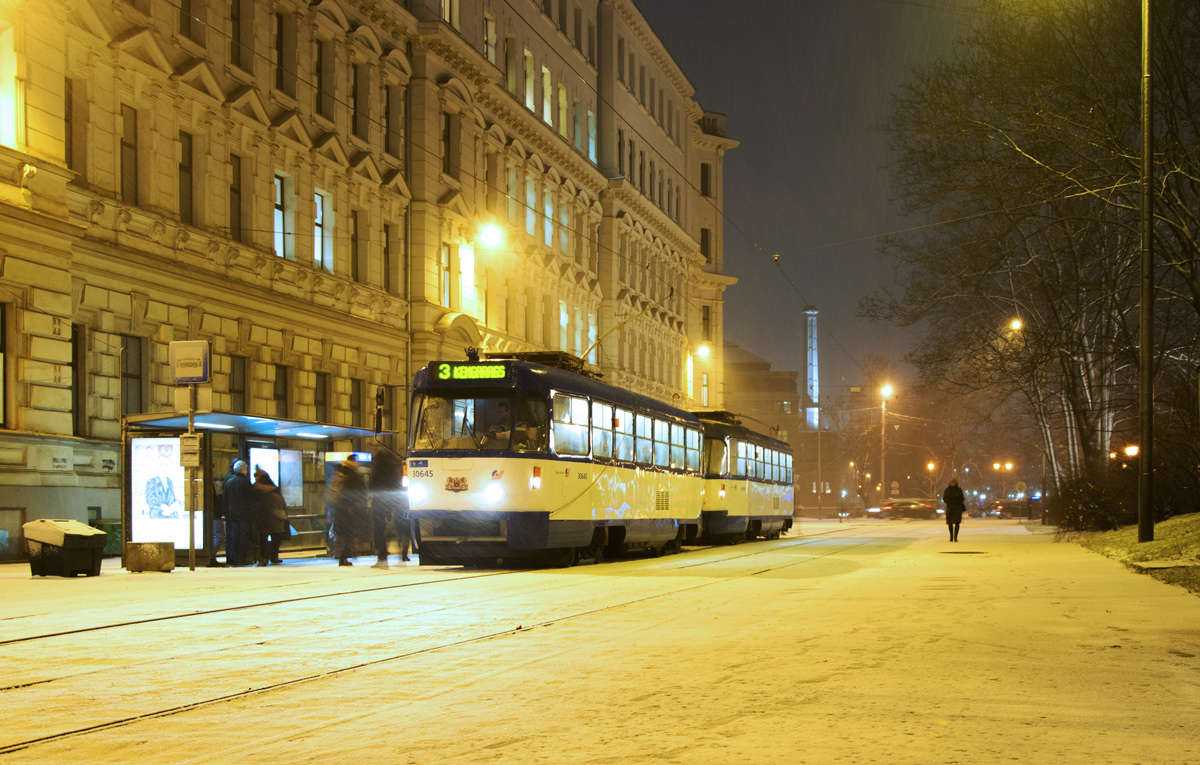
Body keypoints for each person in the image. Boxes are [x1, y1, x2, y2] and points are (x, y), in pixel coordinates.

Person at [370, 450, 412, 568]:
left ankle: (382, 557)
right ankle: (397, 554)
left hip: (379, 504)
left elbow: (374, 487)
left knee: (379, 531)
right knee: (392, 529)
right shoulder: (392, 470)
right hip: (392, 504)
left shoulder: (379, 470)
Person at [330, 457, 367, 566]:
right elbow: (358, 492)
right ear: (353, 462)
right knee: (347, 534)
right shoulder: (352, 476)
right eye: (357, 461)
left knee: (342, 534)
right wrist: (350, 506)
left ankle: (342, 557)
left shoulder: (342, 474)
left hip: (339, 509)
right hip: (347, 509)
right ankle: (343, 557)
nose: (359, 464)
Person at [253, 468, 291, 565]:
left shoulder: (256, 489)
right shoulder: (274, 488)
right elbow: (281, 503)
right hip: (275, 518)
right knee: (275, 538)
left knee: (263, 539)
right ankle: (274, 556)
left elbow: (253, 503)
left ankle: (263, 558)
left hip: (263, 517)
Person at [222, 460, 255, 565]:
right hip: (245, 515)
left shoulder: (229, 482)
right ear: (243, 470)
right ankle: (241, 558)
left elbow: (225, 500)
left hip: (233, 515)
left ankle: (233, 558)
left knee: (234, 537)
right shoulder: (246, 483)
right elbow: (251, 500)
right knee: (243, 537)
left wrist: (228, 512)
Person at [942, 477, 966, 542]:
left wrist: (957, 501)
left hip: (957, 508)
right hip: (950, 508)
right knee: (950, 523)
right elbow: (944, 498)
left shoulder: (959, 490)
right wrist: (949, 501)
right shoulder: (947, 490)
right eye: (952, 482)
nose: (953, 484)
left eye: (954, 482)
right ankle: (951, 537)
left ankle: (955, 537)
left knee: (957, 523)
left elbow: (962, 498)